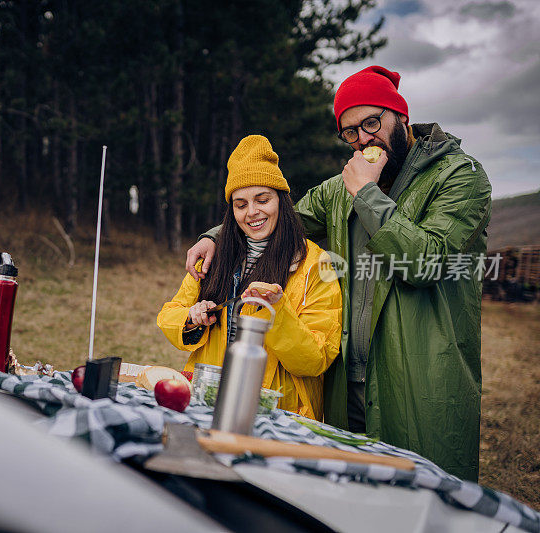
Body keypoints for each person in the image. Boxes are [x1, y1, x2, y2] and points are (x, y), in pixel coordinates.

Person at [185, 66, 491, 481]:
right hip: (348, 381)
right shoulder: (337, 189)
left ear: (400, 116)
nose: (364, 138)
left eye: (371, 122)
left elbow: (426, 262)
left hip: (419, 379)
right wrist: (216, 235)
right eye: (350, 131)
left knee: (425, 498)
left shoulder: (460, 176)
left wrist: (366, 193)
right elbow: (280, 220)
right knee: (352, 495)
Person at [158, 135, 342, 421]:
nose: (252, 212)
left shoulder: (317, 263)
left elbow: (316, 359)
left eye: (263, 199)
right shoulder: (214, 256)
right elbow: (169, 315)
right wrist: (191, 318)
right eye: (240, 204)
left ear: (281, 200)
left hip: (278, 412)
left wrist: (277, 311)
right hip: (206, 401)